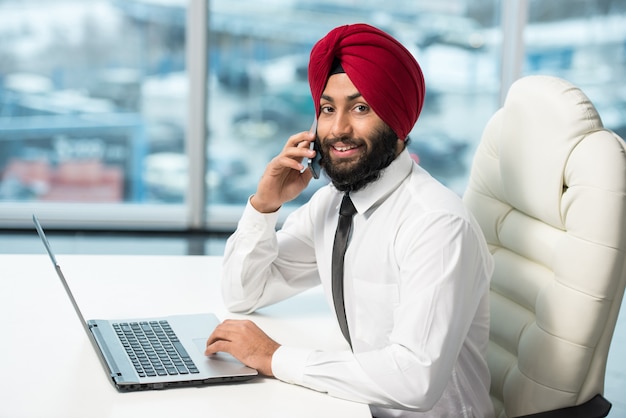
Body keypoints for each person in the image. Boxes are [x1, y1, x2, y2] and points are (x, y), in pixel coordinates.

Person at [205, 23, 494, 418]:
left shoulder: (436, 224)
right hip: (357, 406)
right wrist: (264, 206)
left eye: (360, 108)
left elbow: (415, 379)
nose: (338, 129)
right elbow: (244, 294)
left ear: (397, 120)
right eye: (327, 109)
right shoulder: (333, 205)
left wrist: (275, 358)